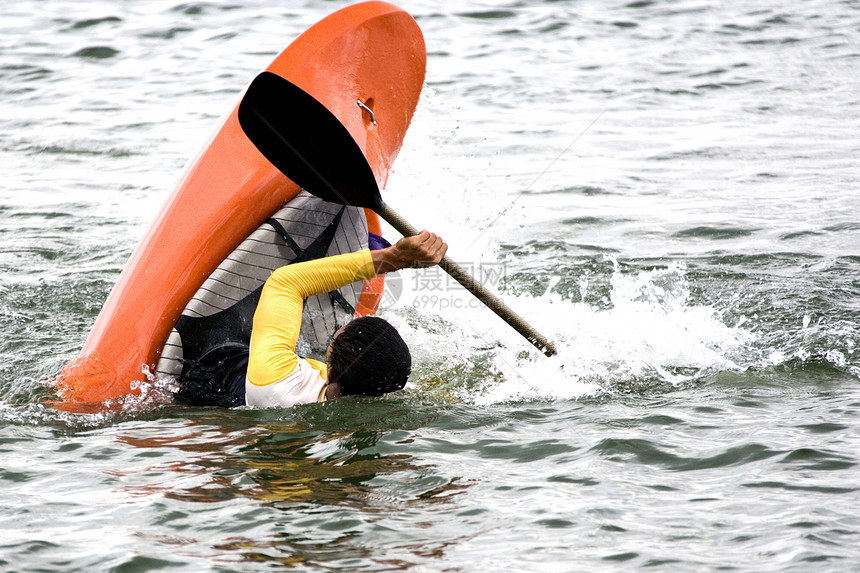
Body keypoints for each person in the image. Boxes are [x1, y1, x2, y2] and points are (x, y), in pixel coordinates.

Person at [243, 230, 447, 408]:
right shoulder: (380, 400)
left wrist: (394, 258)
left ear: (329, 374)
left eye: (334, 339)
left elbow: (285, 281)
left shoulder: (274, 377)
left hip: (233, 386)